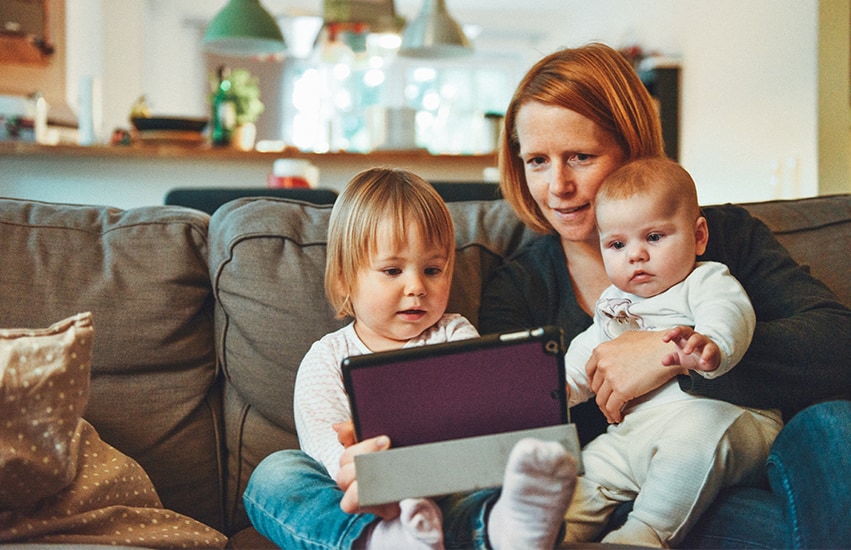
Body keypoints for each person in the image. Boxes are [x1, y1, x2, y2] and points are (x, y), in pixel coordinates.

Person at [478, 42, 851, 546]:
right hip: (617, 491)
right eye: (537, 161)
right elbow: (516, 428)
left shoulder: (723, 238)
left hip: (745, 463)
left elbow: (836, 345)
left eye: (580, 157)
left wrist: (670, 352)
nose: (558, 186)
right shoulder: (520, 287)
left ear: (632, 149)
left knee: (835, 423)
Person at [243, 167, 577, 550]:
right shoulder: (326, 358)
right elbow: (329, 457)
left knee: (509, 482)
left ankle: (506, 529)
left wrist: (528, 398)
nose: (417, 287)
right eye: (392, 270)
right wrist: (376, 479)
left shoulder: (454, 334)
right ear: (343, 280)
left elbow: (481, 421)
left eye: (433, 270)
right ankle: (382, 540)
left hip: (449, 492)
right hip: (365, 503)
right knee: (275, 474)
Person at [558, 157, 782, 546]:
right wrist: (558, 387)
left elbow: (729, 311)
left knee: (692, 436)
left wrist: (711, 344)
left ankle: (643, 534)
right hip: (635, 434)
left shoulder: (704, 279)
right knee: (587, 469)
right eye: (616, 244)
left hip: (725, 421)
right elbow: (589, 351)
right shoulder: (614, 301)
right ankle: (553, 532)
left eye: (654, 237)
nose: (636, 255)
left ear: (698, 236)